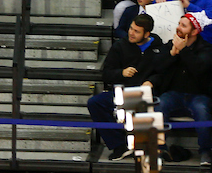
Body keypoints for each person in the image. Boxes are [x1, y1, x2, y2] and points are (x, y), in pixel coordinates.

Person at [88, 12, 164, 162]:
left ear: (147, 33)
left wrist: (152, 81)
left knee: (146, 103)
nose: (131, 33)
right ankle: (119, 145)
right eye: (131, 28)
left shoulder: (158, 48)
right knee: (95, 102)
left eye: (136, 31)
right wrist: (121, 73)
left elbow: (164, 72)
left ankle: (144, 147)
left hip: (147, 93)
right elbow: (107, 73)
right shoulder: (120, 46)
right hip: (123, 91)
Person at [155, 9, 212, 164]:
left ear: (194, 31)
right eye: (179, 24)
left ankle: (206, 151)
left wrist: (184, 50)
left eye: (184, 25)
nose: (178, 27)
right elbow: (157, 66)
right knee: (159, 105)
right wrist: (172, 54)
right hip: (174, 94)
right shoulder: (171, 44)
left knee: (202, 110)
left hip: (198, 95)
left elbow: (199, 68)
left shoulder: (207, 49)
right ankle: (160, 148)